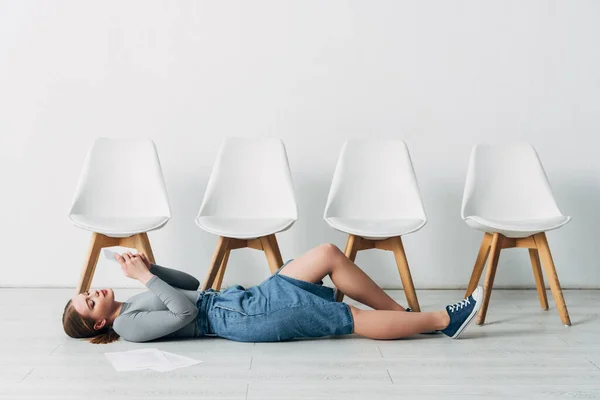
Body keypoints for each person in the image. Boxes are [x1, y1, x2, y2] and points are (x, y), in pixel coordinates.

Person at [62, 243, 482, 344]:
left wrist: (149, 268)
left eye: (87, 291)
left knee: (328, 254)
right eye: (90, 300)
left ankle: (406, 315)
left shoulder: (133, 301)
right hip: (237, 319)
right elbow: (184, 316)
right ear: (99, 322)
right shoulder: (130, 327)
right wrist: (145, 280)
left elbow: (189, 286)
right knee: (344, 318)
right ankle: (443, 322)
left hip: (238, 300)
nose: (94, 292)